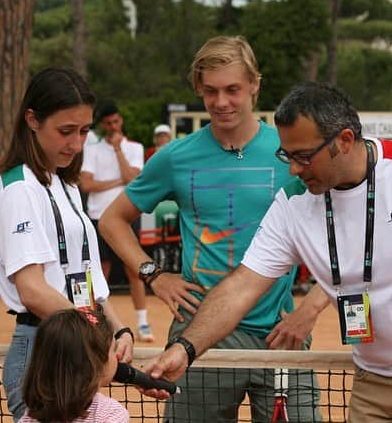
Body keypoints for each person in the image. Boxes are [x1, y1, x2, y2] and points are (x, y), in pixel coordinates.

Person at [142, 82, 392, 423]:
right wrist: (186, 348)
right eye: (285, 155)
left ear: (345, 140)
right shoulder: (293, 203)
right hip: (374, 385)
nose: (292, 168)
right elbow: (241, 286)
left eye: (303, 156)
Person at [100, 36, 322, 422]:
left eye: (233, 89)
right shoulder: (175, 156)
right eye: (211, 91)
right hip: (199, 334)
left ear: (255, 84)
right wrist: (154, 274)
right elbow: (111, 219)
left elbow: (349, 235)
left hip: (282, 332)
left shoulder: (291, 150)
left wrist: (310, 310)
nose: (221, 102)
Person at [0, 68, 134, 421]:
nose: (76, 143)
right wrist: (95, 336)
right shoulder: (19, 188)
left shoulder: (64, 185)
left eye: (84, 131)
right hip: (44, 351)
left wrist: (118, 328)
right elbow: (33, 290)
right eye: (66, 131)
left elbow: (83, 279)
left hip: (75, 347)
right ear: (32, 120)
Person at [79, 103, 154, 343]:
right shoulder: (91, 149)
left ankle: (142, 324)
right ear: (102, 125)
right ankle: (93, 324)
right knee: (97, 274)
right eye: (108, 123)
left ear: (121, 121)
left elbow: (134, 180)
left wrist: (118, 152)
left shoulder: (135, 148)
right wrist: (117, 181)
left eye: (116, 122)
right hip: (97, 217)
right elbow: (87, 185)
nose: (113, 127)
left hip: (126, 218)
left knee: (135, 271)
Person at [19, 308, 130, 423]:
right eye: (113, 350)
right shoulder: (112, 413)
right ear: (96, 362)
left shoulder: (30, 417)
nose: (116, 356)